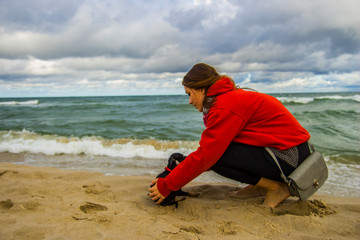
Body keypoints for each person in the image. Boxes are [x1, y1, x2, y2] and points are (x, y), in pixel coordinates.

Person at [148, 63, 311, 208]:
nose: (189, 101)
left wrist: (167, 185)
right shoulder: (228, 99)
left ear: (202, 88)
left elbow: (207, 155)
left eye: (189, 93)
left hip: (290, 158)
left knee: (215, 157)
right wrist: (181, 169)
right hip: (292, 154)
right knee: (217, 153)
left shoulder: (224, 106)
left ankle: (277, 188)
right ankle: (260, 186)